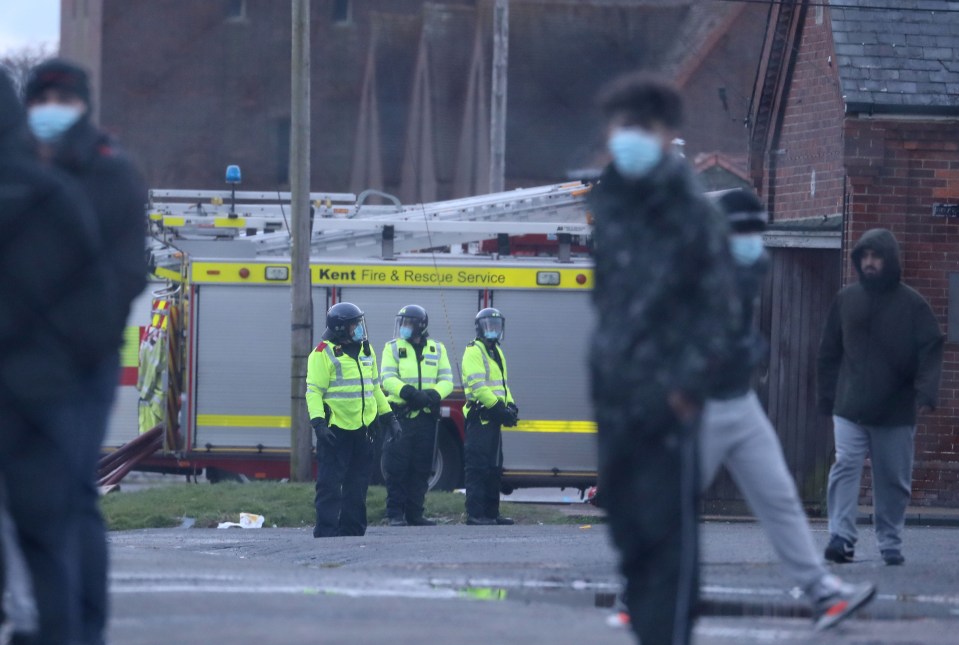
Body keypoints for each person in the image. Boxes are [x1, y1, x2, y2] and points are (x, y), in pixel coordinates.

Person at [587, 73, 738, 645]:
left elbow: (718, 310)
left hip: (667, 399)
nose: (628, 138)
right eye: (621, 126)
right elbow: (609, 307)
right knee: (627, 532)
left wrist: (686, 386)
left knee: (667, 540)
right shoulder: (613, 208)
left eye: (641, 128)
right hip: (616, 396)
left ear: (666, 133)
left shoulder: (691, 215)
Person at [700, 189, 876, 631]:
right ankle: (634, 593)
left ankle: (821, 593)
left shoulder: (749, 265)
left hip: (738, 403)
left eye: (754, 229)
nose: (751, 239)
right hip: (698, 406)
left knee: (778, 497)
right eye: (741, 230)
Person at [23, 57, 147, 644]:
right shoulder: (21, 166)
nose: (51, 106)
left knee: (70, 493)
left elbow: (124, 276)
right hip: (25, 360)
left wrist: (78, 344)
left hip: (83, 359)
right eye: (42, 95)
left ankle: (80, 629)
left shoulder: (110, 173)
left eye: (60, 96)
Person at [0, 69, 114, 644]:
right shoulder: (54, 193)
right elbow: (94, 295)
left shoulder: (95, 174)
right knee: (45, 529)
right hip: (46, 390)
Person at [818, 228, 944, 566]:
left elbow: (932, 346)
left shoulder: (912, 304)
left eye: (877, 256)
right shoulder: (846, 300)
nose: (870, 263)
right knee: (845, 466)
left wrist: (926, 390)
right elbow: (829, 352)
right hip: (850, 406)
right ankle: (841, 538)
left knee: (893, 478)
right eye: (865, 257)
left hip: (895, 410)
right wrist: (826, 396)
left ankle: (890, 541)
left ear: (889, 260)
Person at [306, 302, 400, 537]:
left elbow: (375, 389)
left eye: (359, 323)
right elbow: (314, 391)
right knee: (329, 484)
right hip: (336, 429)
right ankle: (326, 530)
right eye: (354, 325)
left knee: (357, 485)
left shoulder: (366, 350)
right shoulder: (322, 353)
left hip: (364, 429)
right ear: (340, 328)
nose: (359, 328)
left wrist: (389, 418)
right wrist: (318, 423)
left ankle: (353, 529)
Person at [379, 305, 455, 526]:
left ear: (420, 326)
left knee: (422, 466)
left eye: (407, 323)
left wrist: (433, 395)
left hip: (426, 418)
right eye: (401, 323)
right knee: (396, 466)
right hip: (401, 417)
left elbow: (447, 380)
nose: (402, 328)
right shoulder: (392, 348)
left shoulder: (437, 349)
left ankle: (415, 513)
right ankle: (395, 513)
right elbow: (387, 378)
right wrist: (409, 393)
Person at [461, 307, 518, 526]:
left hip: (494, 419)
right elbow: (478, 386)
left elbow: (503, 385)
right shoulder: (473, 351)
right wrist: (498, 408)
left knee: (494, 468)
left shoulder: (497, 351)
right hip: (481, 418)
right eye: (489, 326)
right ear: (480, 328)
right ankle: (475, 514)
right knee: (477, 468)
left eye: (496, 326)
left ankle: (492, 513)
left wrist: (510, 406)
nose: (493, 330)